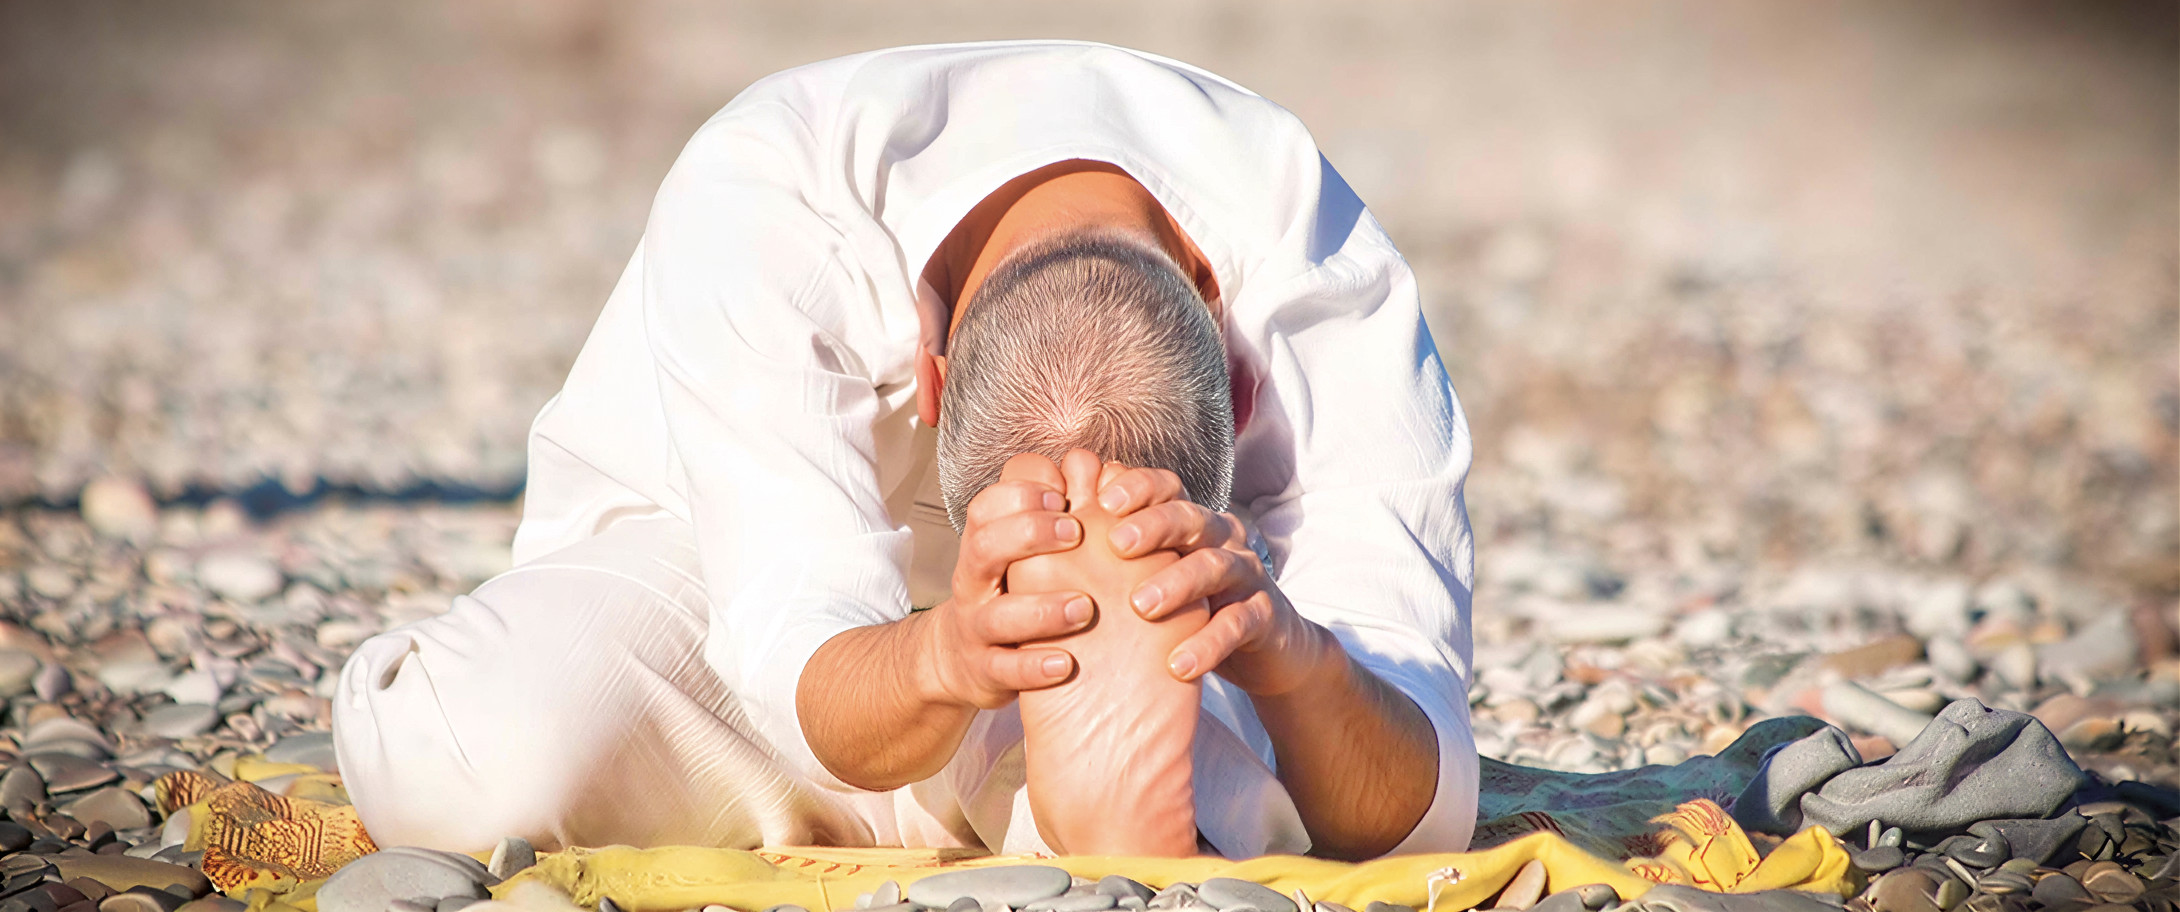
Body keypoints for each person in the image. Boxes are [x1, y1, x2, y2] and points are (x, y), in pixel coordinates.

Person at [331, 39, 1479, 862]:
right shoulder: (775, 186)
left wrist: (1294, 656)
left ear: (1238, 387)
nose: (1068, 529)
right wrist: (941, 657)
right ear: (926, 374)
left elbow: (1425, 771)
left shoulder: (1314, 257)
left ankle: (1075, 722)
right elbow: (790, 637)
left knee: (1289, 731)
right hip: (715, 586)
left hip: (1074, 655)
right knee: (481, 746)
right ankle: (1067, 784)